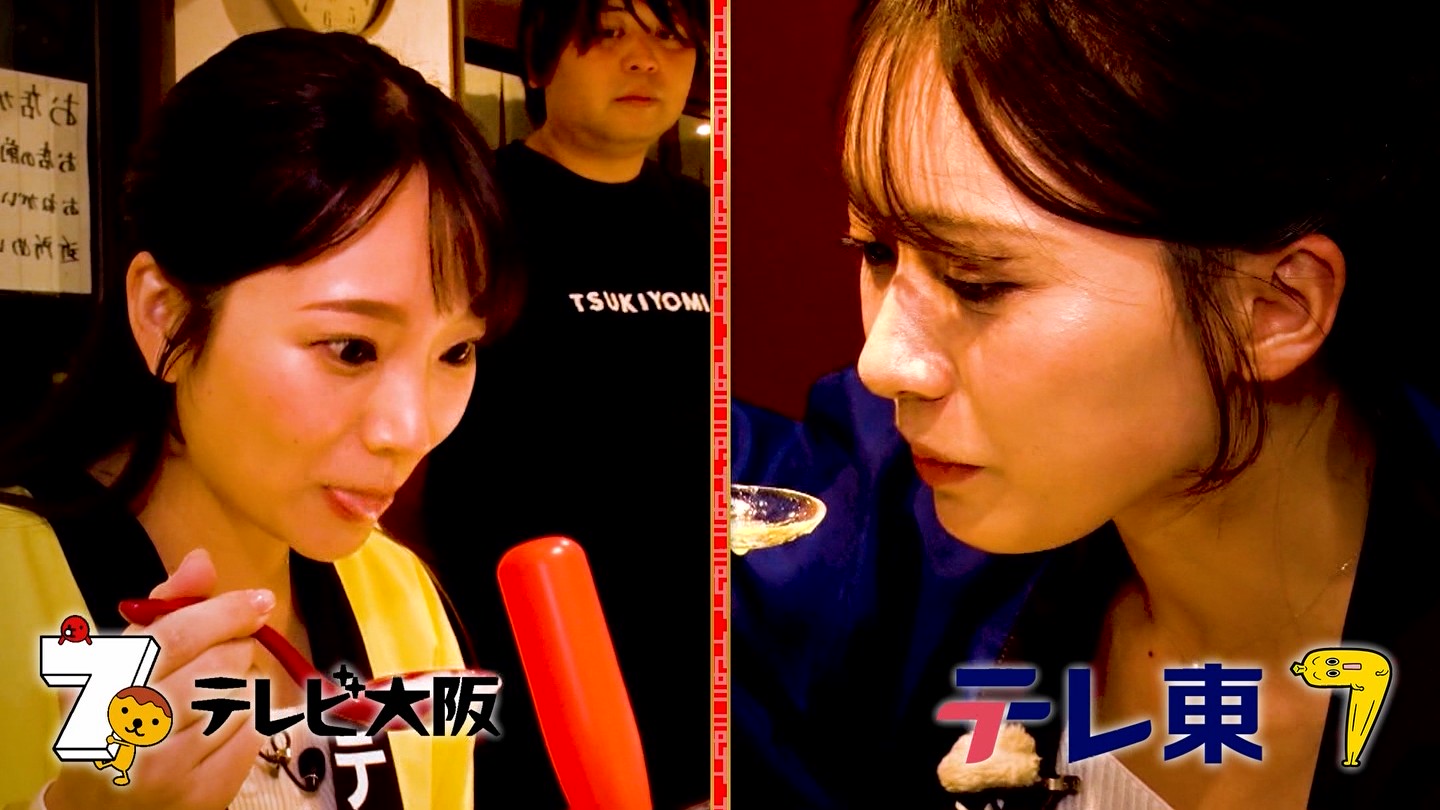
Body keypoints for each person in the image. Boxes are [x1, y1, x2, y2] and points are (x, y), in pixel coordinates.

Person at [733, 1, 1440, 808]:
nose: (884, 361)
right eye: (876, 252)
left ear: (1275, 307)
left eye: (977, 280)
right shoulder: (902, 523)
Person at [0, 29, 520, 810]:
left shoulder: (400, 596)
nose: (410, 429)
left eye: (455, 352)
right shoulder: (13, 591)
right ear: (166, 315)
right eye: (351, 348)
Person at [416, 1, 711, 808]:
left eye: (671, 40)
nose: (645, 61)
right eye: (610, 33)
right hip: (524, 638)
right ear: (540, 61)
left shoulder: (703, 222)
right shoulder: (475, 213)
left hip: (690, 641)